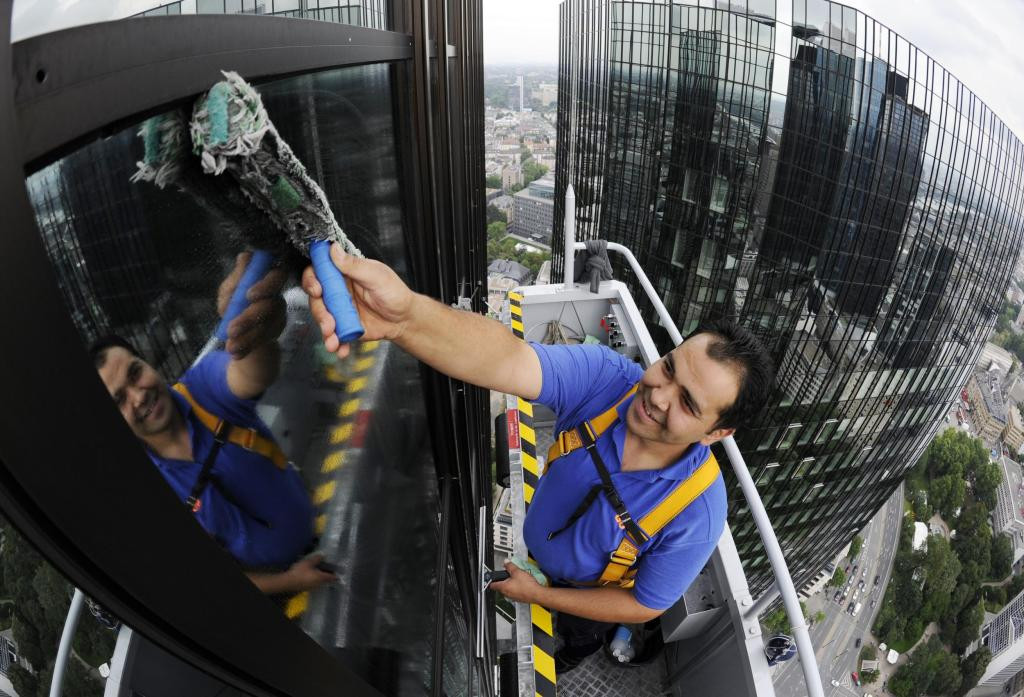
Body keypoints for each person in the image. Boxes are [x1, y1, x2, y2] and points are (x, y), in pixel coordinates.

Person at [302, 245, 773, 671]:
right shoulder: (609, 382)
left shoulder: (698, 511)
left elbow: (646, 602)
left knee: (569, 647)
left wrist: (543, 596)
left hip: (583, 600)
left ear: (718, 432)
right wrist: (405, 319)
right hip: (534, 556)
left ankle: (571, 655)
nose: (656, 396)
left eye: (687, 403)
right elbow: (508, 360)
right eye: (668, 367)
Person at [93, 252, 335, 595]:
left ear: (149, 365)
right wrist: (291, 581)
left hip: (321, 535)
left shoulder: (201, 388)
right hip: (275, 592)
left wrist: (251, 334)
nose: (139, 395)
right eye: (119, 400)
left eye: (136, 373)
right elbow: (207, 577)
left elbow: (249, 373)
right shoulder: (149, 491)